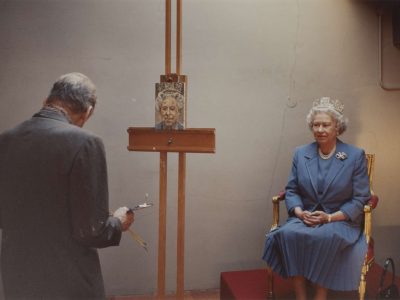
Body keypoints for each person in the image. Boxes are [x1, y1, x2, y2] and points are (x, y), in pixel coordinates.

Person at [0, 72, 134, 300]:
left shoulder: (6, 139)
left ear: (46, 101)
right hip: (68, 280)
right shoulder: (86, 143)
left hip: (18, 274)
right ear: (87, 112)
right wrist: (118, 222)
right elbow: (93, 232)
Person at [262, 97, 371, 300]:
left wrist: (329, 218)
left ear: (337, 128)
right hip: (306, 218)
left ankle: (320, 296)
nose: (320, 129)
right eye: (316, 124)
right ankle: (301, 297)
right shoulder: (301, 153)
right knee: (288, 234)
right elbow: (292, 189)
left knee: (324, 237)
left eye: (325, 124)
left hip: (339, 221)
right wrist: (299, 212)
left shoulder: (354, 156)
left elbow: (360, 198)